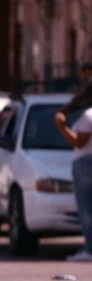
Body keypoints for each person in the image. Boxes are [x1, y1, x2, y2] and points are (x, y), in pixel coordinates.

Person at [55, 84, 92, 262]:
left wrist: (62, 126)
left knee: (86, 209)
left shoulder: (88, 115)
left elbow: (79, 142)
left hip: (85, 162)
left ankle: (90, 250)